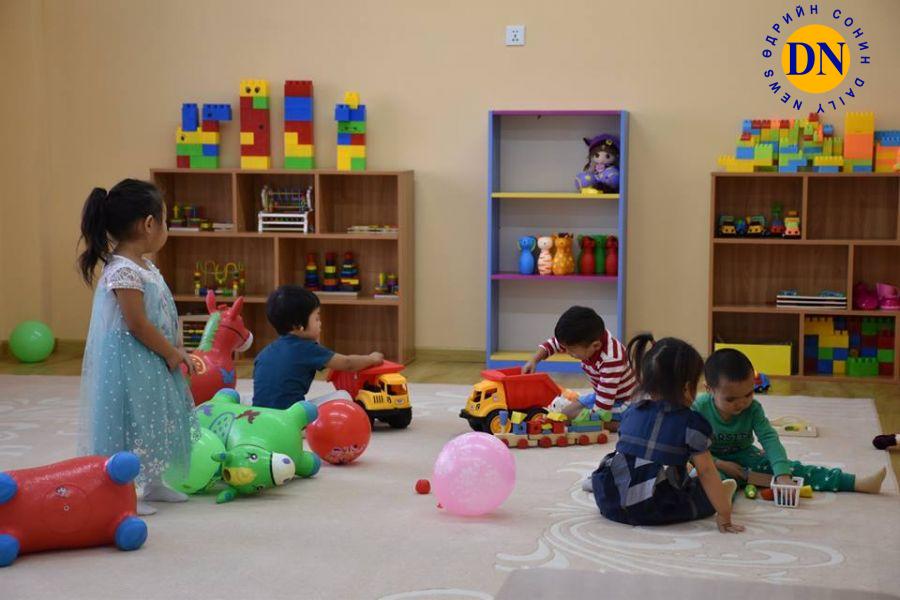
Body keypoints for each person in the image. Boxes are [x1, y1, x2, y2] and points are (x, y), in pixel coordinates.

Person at [78, 179, 197, 516]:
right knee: (129, 420)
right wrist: (171, 352)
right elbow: (137, 323)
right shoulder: (123, 271)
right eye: (165, 220)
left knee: (154, 416)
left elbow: (161, 312)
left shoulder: (145, 266)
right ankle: (123, 489)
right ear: (148, 224)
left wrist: (175, 345)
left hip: (152, 357)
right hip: (130, 360)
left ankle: (154, 481)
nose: (166, 227)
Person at [591, 335, 743, 533]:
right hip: (653, 507)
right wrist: (724, 513)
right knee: (701, 492)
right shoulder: (692, 424)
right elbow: (706, 471)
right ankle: (724, 493)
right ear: (687, 388)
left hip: (610, 501)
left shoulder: (631, 411)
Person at [695, 348, 886, 493]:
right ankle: (724, 496)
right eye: (730, 399)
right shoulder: (698, 409)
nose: (742, 403)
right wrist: (719, 464)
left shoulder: (753, 409)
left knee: (794, 469)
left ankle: (853, 483)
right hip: (709, 460)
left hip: (746, 457)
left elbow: (769, 438)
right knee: (707, 479)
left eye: (748, 394)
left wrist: (782, 473)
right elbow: (688, 449)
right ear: (709, 389)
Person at [252, 285, 384, 409]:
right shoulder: (306, 348)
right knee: (344, 396)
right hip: (291, 417)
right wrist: (372, 359)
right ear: (299, 325)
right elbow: (347, 363)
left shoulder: (264, 353)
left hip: (261, 415)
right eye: (317, 318)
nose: (320, 323)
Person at [524, 306, 636, 424]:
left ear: (596, 346)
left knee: (578, 419)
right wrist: (534, 360)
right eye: (565, 348)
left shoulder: (611, 360)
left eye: (571, 350)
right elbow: (554, 343)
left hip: (623, 402)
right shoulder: (588, 338)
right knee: (565, 414)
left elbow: (603, 407)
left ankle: (619, 424)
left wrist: (590, 420)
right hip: (602, 394)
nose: (566, 352)